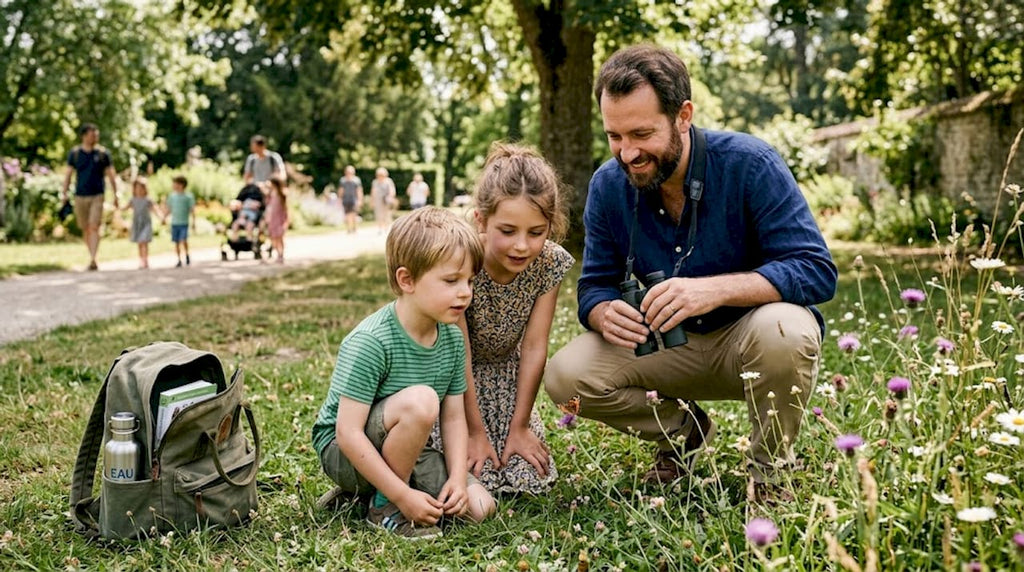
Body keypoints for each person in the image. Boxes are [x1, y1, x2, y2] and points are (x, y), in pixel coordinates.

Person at [543, 45, 837, 500]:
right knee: (566, 375)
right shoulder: (607, 185)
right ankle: (684, 433)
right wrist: (602, 312)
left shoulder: (751, 163)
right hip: (667, 347)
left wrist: (715, 291)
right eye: (614, 137)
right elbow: (594, 286)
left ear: (683, 115)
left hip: (750, 343)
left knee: (788, 329)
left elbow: (816, 270)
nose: (627, 154)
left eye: (642, 133)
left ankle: (770, 476)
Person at [311, 207, 496, 539]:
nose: (465, 291)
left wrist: (456, 478)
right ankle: (383, 505)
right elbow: (347, 433)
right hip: (345, 455)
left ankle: (364, 497)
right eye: (451, 280)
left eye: (469, 280)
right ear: (406, 279)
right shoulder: (371, 342)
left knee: (480, 507)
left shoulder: (452, 339)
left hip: (404, 446)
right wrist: (402, 496)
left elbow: (454, 418)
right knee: (422, 400)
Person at [439, 143, 574, 495]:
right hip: (454, 382)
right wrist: (474, 432)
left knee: (530, 477)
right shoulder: (462, 259)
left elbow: (533, 346)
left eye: (536, 232)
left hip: (510, 382)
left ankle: (513, 433)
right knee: (474, 475)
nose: (521, 246)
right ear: (481, 220)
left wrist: (521, 426)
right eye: (508, 230)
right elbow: (460, 352)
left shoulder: (549, 263)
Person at [61, 123, 120, 271]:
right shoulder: (75, 154)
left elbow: (111, 174)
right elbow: (68, 174)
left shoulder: (103, 154)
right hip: (80, 195)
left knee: (94, 226)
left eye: (96, 135)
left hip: (97, 195)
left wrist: (115, 193)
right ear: (84, 136)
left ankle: (93, 258)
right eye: (92, 135)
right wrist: (64, 193)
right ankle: (91, 255)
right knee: (85, 227)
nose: (95, 137)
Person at [125, 177, 161, 269]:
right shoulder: (133, 200)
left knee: (143, 241)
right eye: (137, 188)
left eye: (141, 188)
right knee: (140, 243)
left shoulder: (148, 200)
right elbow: (125, 208)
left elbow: (155, 209)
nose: (139, 190)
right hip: (137, 224)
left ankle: (145, 260)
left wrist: (161, 217)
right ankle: (141, 259)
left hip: (146, 224)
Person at [163, 175, 196, 268]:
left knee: (183, 240)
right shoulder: (172, 197)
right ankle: (179, 259)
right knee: (176, 242)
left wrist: (194, 222)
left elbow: (192, 209)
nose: (173, 185)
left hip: (184, 223)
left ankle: (187, 254)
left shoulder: (188, 197)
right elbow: (169, 209)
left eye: (175, 183)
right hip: (175, 223)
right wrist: (164, 218)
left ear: (181, 185)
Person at [265, 177, 289, 264]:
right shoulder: (270, 194)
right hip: (272, 219)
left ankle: (281, 255)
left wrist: (286, 220)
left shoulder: (282, 195)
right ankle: (278, 253)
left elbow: (286, 209)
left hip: (279, 219)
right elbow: (268, 206)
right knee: (273, 238)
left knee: (280, 238)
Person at [370, 167, 397, 234]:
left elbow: (392, 190)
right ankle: (380, 228)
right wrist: (372, 200)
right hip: (378, 200)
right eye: (379, 174)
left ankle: (387, 228)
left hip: (386, 200)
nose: (380, 176)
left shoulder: (388, 181)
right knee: (379, 214)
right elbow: (373, 191)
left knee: (387, 214)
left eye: (382, 174)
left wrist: (391, 197)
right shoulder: (375, 182)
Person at [339, 166, 364, 234]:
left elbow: (359, 190)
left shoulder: (356, 180)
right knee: (347, 215)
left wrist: (360, 200)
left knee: (354, 214)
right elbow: (341, 190)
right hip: (346, 200)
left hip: (354, 200)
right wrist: (340, 199)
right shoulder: (343, 180)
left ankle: (355, 228)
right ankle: (349, 229)